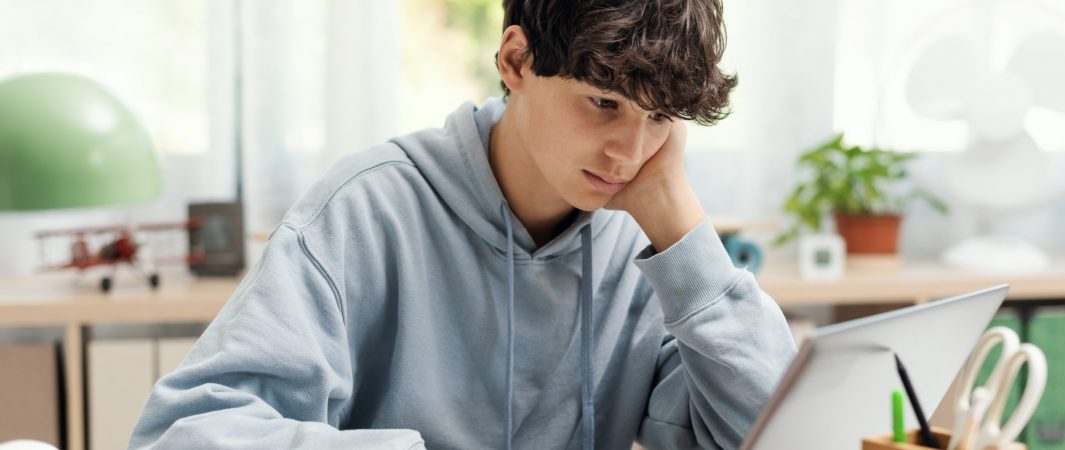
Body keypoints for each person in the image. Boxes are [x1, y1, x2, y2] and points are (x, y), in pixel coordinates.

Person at [129, 0, 796, 448]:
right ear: (515, 62)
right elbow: (185, 433)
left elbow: (775, 434)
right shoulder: (368, 209)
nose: (629, 152)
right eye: (603, 103)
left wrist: (680, 225)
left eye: (658, 119)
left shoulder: (644, 240)